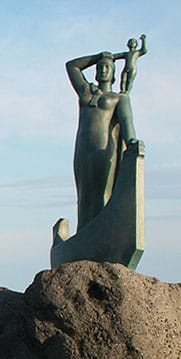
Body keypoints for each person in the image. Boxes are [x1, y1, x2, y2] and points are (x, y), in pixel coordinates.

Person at [66, 50, 140, 231]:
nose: (103, 69)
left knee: (103, 194)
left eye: (107, 67)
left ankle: (102, 230)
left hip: (104, 150)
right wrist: (105, 56)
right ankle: (83, 234)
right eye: (100, 67)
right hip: (83, 150)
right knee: (84, 196)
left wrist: (133, 143)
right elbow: (72, 66)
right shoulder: (85, 90)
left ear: (114, 73)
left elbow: (127, 124)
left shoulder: (119, 98)